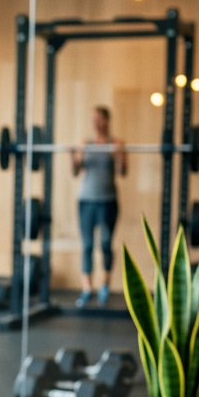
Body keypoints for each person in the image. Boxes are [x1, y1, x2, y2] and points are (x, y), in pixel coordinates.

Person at [71, 105, 127, 308]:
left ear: (106, 121)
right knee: (87, 245)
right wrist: (72, 155)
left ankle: (104, 285)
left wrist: (118, 154)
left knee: (105, 243)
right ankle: (87, 289)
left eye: (99, 118)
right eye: (93, 118)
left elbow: (123, 171)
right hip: (86, 200)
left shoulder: (116, 143)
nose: (95, 122)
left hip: (107, 201)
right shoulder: (84, 143)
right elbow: (75, 171)